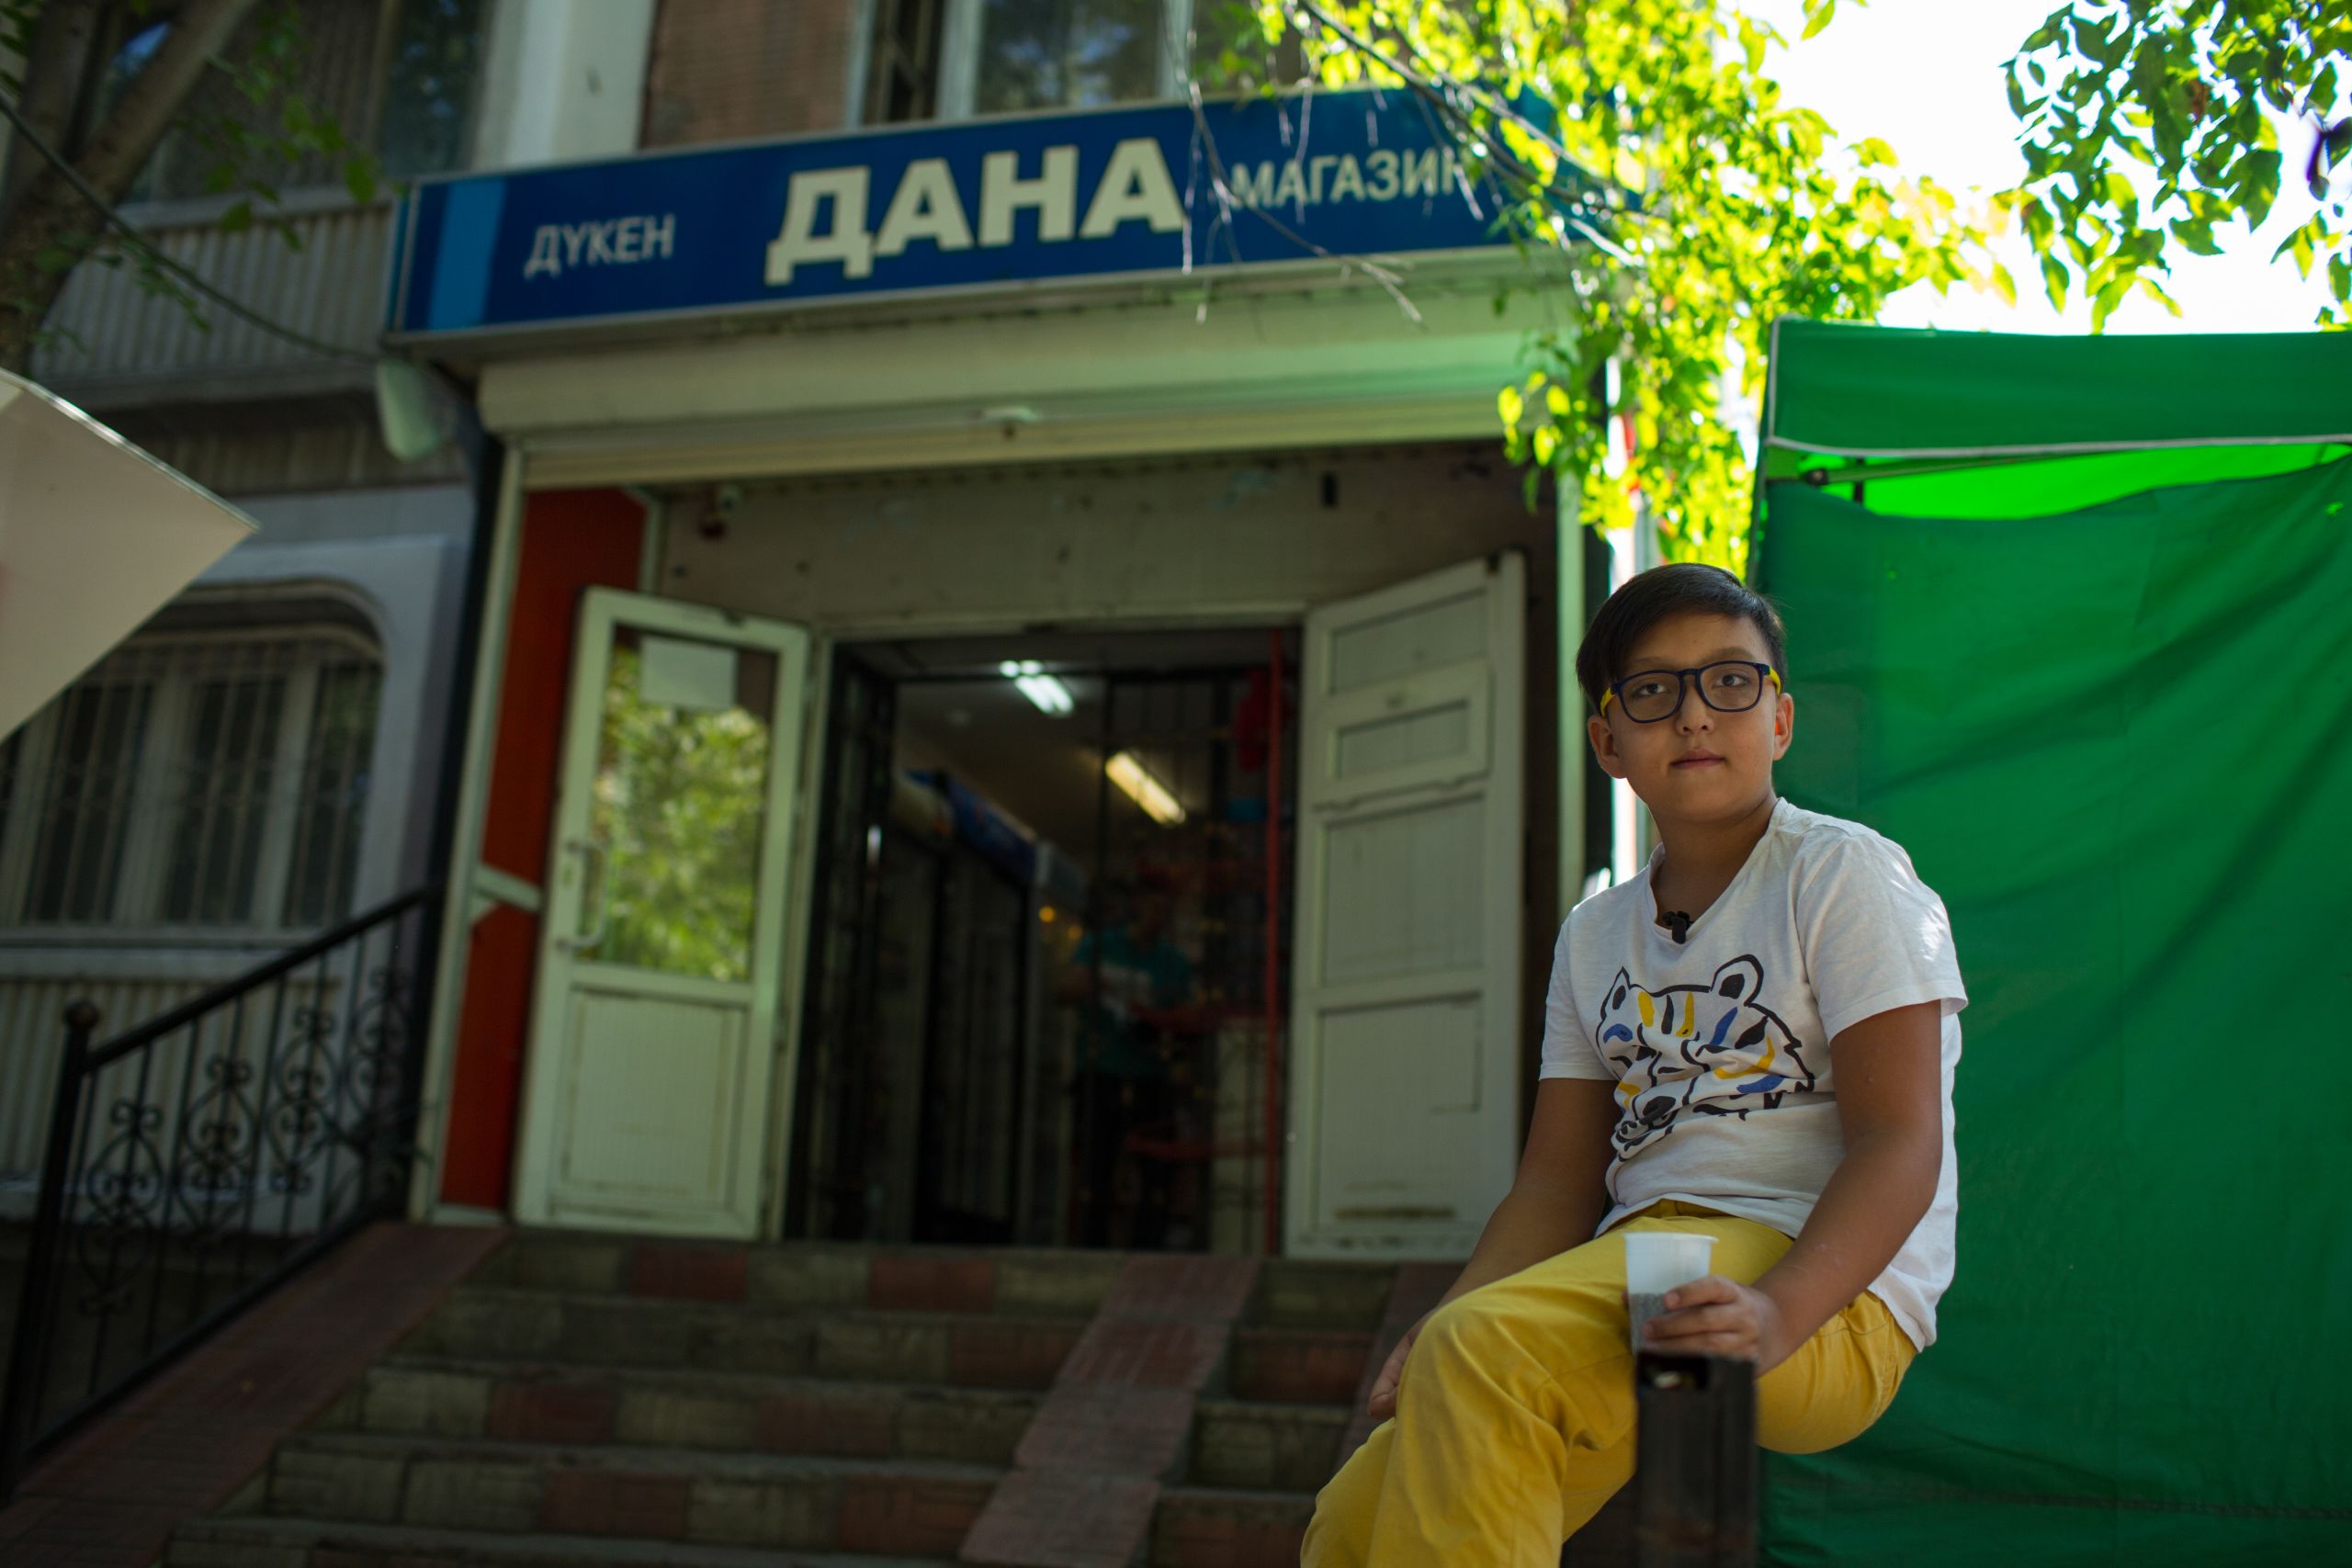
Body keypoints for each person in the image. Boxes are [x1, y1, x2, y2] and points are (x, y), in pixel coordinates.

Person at [1303, 562, 1966, 1564]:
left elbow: (1902, 1137)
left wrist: (1778, 1313)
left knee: (1486, 1356)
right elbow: (1554, 1185)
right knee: (1360, 1518)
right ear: (1608, 741)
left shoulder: (1840, 874)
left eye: (1731, 682)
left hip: (1817, 1297)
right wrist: (1443, 1324)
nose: (1696, 715)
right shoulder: (1593, 935)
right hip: (1649, 1285)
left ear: (1779, 719)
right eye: (1653, 691)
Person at [1057, 880, 1198, 1247]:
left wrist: (1166, 1027)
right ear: (1137, 907)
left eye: (1164, 912)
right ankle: (1090, 1245)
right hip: (1102, 1069)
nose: (1157, 918)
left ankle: (1148, 1247)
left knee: (1155, 1171)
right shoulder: (1101, 946)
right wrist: (1087, 985)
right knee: (1095, 1165)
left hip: (1150, 1074)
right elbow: (1066, 991)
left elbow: (1188, 1023)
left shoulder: (1173, 963)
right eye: (1152, 908)